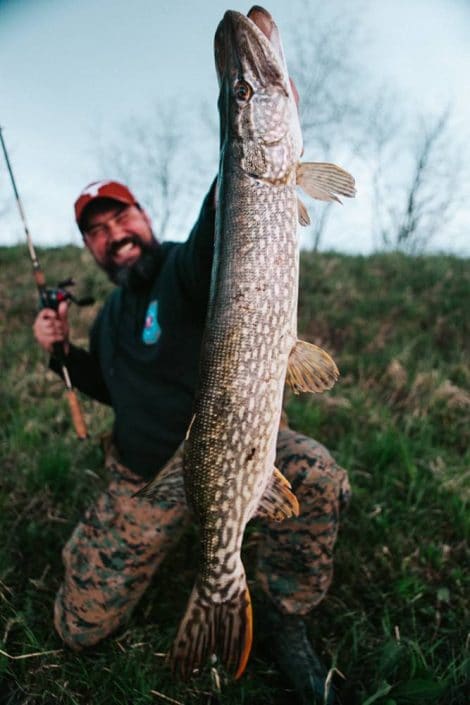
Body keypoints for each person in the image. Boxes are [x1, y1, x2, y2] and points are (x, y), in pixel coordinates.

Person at [33, 179, 350, 704]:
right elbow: (117, 390)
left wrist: (245, 162)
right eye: (98, 230)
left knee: (314, 473)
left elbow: (223, 225)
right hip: (148, 477)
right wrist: (63, 352)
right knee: (77, 626)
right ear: (89, 247)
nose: (115, 235)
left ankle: (282, 612)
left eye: (122, 218)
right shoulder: (110, 317)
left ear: (145, 216)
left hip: (239, 451)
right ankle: (194, 559)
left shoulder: (194, 268)